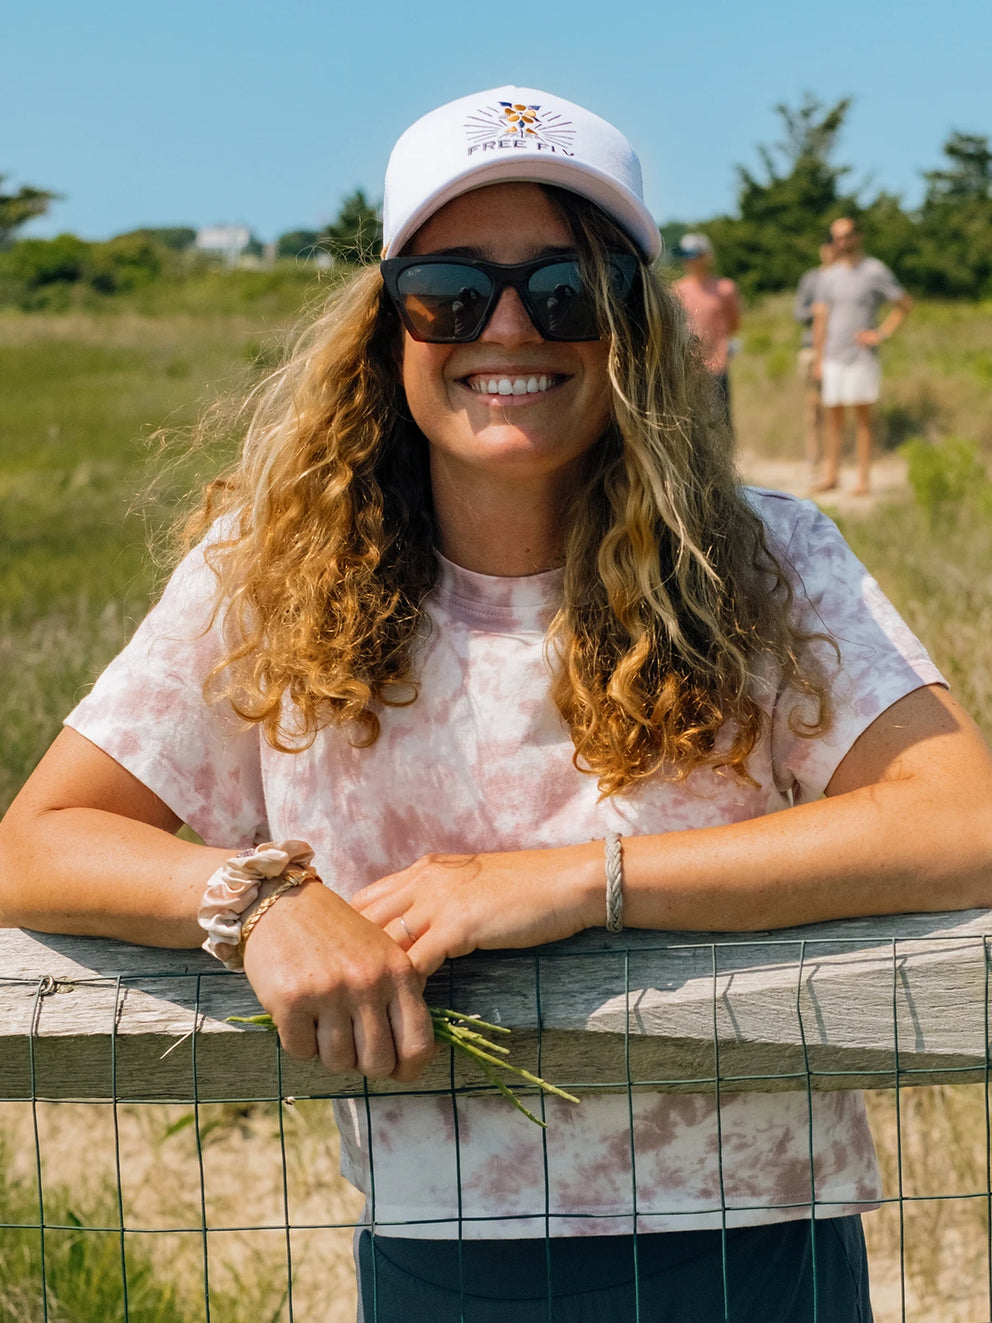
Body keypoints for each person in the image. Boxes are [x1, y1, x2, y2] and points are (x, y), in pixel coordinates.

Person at [1, 84, 991, 1323]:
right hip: (439, 1251)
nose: (508, 329)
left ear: (632, 323)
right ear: (388, 325)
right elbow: (37, 842)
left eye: (566, 291)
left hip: (757, 1248)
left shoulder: (770, 560)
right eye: (449, 290)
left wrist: (583, 878)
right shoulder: (266, 575)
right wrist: (258, 899)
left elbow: (959, 820)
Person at [812, 216, 913, 495]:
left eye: (846, 235)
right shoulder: (828, 275)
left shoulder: (874, 270)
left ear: (858, 236)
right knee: (833, 418)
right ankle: (831, 474)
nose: (841, 241)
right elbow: (820, 319)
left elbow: (904, 304)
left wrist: (881, 333)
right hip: (833, 355)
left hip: (861, 356)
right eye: (836, 236)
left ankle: (863, 479)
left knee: (862, 419)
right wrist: (819, 358)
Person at [674, 231, 742, 431]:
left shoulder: (725, 288)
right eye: (686, 255)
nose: (690, 260)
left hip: (716, 365)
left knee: (720, 422)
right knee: (690, 422)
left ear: (707, 256)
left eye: (695, 254)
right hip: (688, 367)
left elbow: (734, 324)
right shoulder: (676, 290)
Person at [794, 238, 835, 484]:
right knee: (813, 407)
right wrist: (816, 313)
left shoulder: (844, 278)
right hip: (811, 348)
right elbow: (798, 311)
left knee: (834, 406)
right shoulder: (811, 279)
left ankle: (832, 457)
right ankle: (813, 456)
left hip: (838, 349)